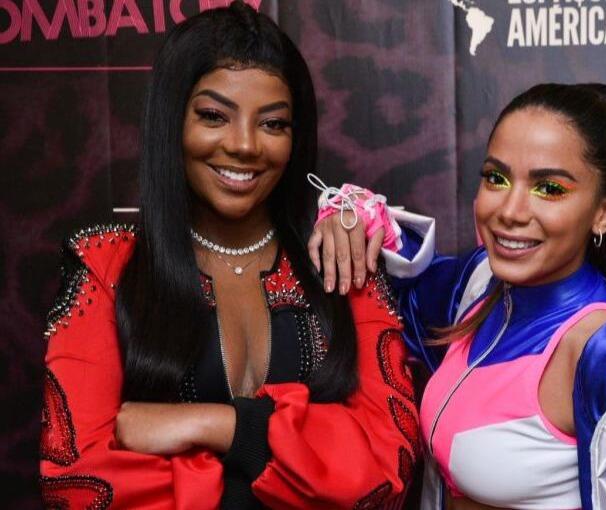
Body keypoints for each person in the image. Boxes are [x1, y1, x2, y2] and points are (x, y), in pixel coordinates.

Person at [311, 83, 606, 509]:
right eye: (496, 178)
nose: (510, 211)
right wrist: (352, 220)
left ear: (605, 211)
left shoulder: (602, 348)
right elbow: (406, 282)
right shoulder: (481, 284)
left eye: (549, 188)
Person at [39, 3, 417, 509]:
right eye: (214, 116)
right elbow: (78, 482)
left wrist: (226, 427)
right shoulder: (105, 268)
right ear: (172, 119)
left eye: (273, 123)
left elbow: (389, 468)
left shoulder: (340, 260)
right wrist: (308, 461)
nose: (244, 146)